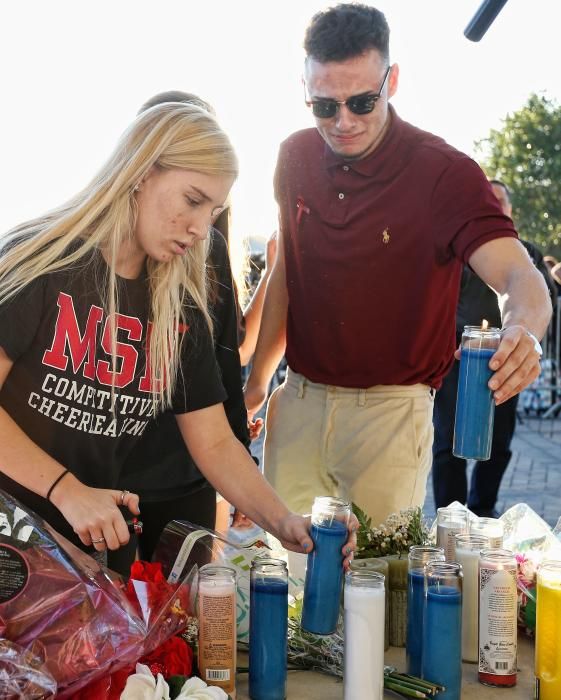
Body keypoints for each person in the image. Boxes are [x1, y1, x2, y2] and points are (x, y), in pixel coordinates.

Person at [0, 102, 356, 564]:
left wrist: (285, 521)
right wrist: (66, 490)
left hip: (85, 552)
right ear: (141, 172)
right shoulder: (43, 261)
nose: (200, 228)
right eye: (193, 200)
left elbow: (212, 442)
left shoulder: (179, 300)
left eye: (213, 211)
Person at [244, 3, 551, 525]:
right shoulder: (293, 156)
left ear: (393, 80)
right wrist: (254, 387)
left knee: (376, 590)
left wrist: (524, 330)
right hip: (297, 400)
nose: (343, 122)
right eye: (323, 106)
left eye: (363, 101)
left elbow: (521, 276)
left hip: (390, 413)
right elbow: (286, 276)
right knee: (287, 587)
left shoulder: (444, 172)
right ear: (304, 88)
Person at [110, 91, 266, 570]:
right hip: (106, 480)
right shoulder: (72, 264)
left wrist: (242, 468)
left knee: (185, 618)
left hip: (187, 468)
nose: (196, 225)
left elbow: (222, 360)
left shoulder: (204, 248)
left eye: (207, 207)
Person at [432, 179, 557, 516]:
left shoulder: (526, 252)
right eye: (488, 198)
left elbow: (546, 298)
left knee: (498, 444)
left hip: (506, 356)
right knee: (447, 443)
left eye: (500, 200)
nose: (495, 205)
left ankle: (483, 510)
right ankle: (451, 516)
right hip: (458, 358)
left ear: (510, 209)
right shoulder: (460, 251)